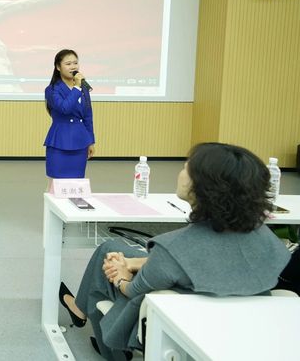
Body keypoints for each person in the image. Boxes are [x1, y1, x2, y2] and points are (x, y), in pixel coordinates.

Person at [59, 143, 291, 360]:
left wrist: (121, 276)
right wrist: (133, 262)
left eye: (186, 167)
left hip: (181, 320)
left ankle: (110, 349)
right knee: (111, 248)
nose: (180, 172)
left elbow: (132, 290)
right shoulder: (269, 242)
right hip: (241, 325)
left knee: (107, 263)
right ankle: (81, 309)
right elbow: (201, 259)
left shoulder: (172, 247)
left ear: (202, 187)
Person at [44, 49, 95, 180]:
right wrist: (77, 88)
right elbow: (64, 108)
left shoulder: (83, 88)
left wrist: (91, 141)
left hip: (80, 141)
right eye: (68, 64)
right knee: (57, 183)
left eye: (75, 63)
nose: (73, 67)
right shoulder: (52, 90)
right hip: (59, 141)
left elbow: (88, 116)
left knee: (76, 183)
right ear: (58, 67)